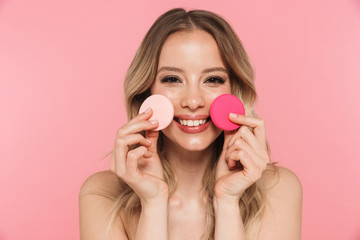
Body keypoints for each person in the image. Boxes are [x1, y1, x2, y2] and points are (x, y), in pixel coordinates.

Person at [79, 8, 302, 240]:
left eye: (213, 79)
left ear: (234, 91)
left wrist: (227, 202)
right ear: (147, 91)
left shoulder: (279, 190)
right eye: (172, 79)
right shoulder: (101, 194)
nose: (193, 101)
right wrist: (153, 203)